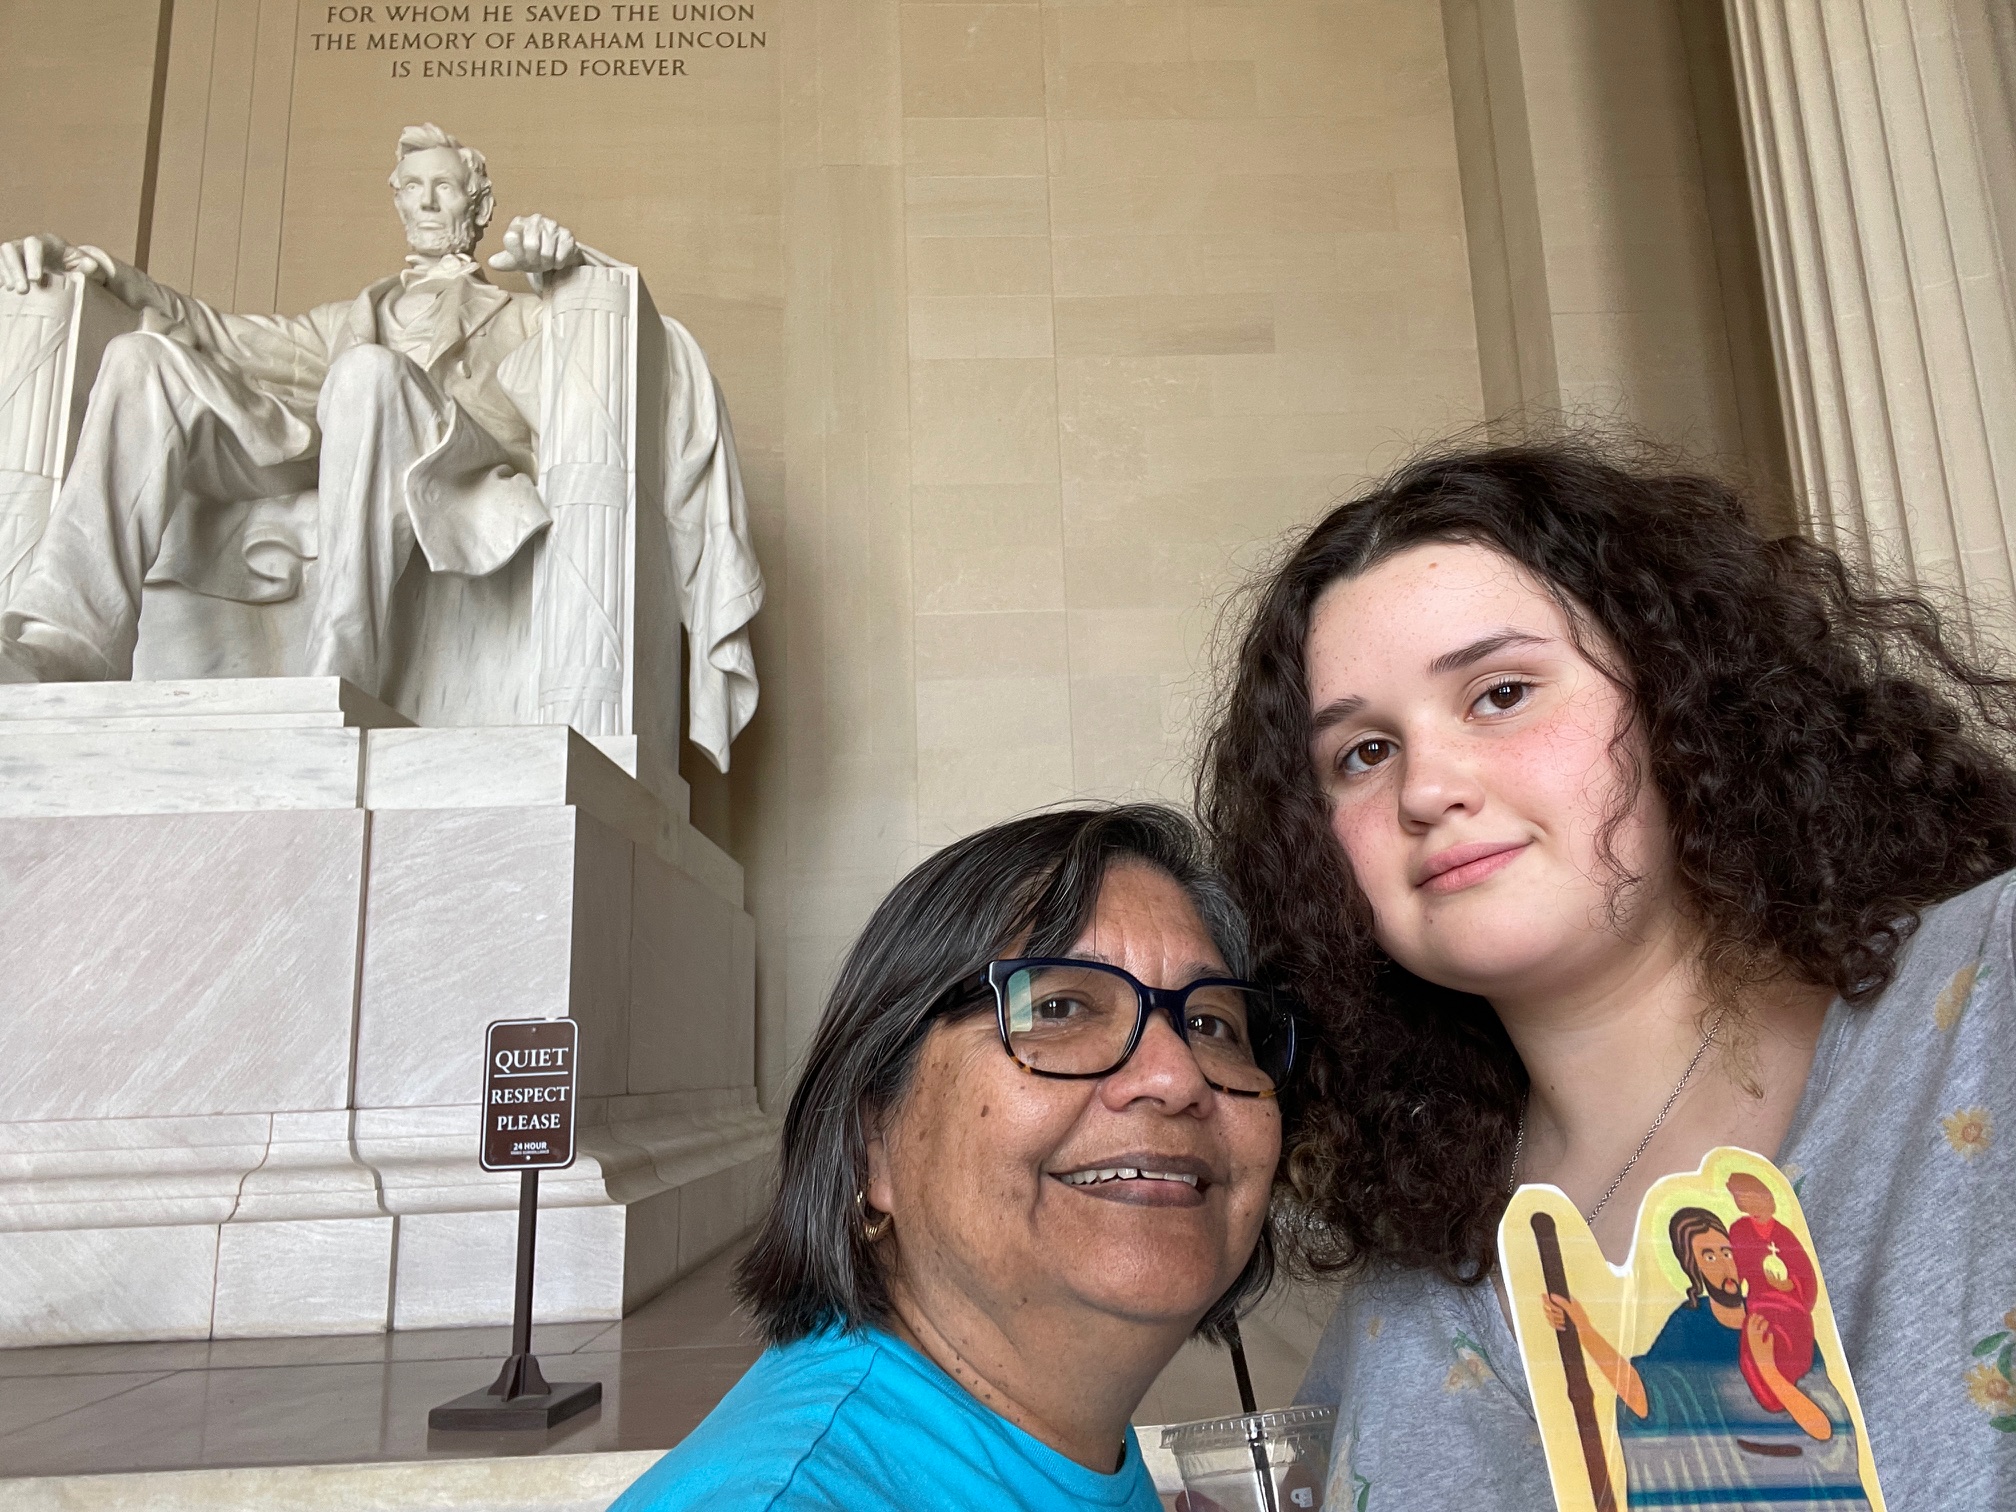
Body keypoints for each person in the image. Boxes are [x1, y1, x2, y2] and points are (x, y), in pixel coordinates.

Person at [1199, 441, 2016, 1507]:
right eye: (1364, 753)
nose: (1428, 789)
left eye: (1501, 693)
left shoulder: (1992, 989)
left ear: (1683, 695)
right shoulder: (1404, 1298)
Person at [610, 805, 1293, 1511]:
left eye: (1211, 1023)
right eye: (1058, 1009)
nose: (1178, 1076)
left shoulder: (1061, 1438)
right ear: (873, 1143)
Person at [0, 125, 585, 693]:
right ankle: (69, 642)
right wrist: (104, 271)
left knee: (368, 370)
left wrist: (562, 271)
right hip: (326, 454)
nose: (427, 201)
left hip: (449, 463)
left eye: (445, 187)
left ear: (480, 208)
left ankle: (338, 667)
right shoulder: (348, 320)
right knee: (140, 358)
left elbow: (597, 337)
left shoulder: (523, 314)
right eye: (413, 186)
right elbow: (223, 334)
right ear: (399, 202)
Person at [1543, 1207, 1870, 1506]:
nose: (1724, 1265)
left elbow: (1827, 1429)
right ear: (1693, 1267)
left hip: (1800, 1486)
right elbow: (1645, 1401)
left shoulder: (1781, 1316)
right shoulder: (1689, 1326)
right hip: (1729, 1490)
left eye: (1727, 1252)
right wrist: (1585, 1330)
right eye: (1709, 1256)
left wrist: (1769, 1372)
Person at [1724, 1170, 1820, 1414]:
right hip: (1760, 1306)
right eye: (1743, 1202)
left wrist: (1789, 1286)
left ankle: (1788, 1396)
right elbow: (1736, 1268)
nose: (1752, 1208)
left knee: (1791, 1351)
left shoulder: (1785, 1236)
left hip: (1792, 1309)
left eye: (1755, 1200)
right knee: (1757, 1343)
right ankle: (1771, 1397)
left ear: (1767, 1198)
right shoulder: (1740, 1230)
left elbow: (1806, 1276)